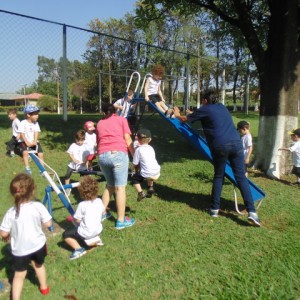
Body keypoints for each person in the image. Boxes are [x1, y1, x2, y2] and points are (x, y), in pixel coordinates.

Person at [173, 91, 261, 226]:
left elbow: (186, 119)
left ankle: (214, 209)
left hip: (220, 146)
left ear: (205, 100)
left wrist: (177, 114)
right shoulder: (222, 107)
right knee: (241, 178)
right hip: (236, 144)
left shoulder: (205, 109)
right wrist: (192, 113)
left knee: (219, 176)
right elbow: (205, 116)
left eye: (202, 101)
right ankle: (252, 212)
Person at [0, 173, 52, 299]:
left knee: (19, 275)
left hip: (20, 250)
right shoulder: (38, 206)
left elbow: (3, 233)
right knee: (39, 265)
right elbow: (48, 223)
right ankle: (44, 288)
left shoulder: (11, 212)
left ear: (13, 193)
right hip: (38, 245)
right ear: (32, 190)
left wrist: (6, 236)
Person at [96, 103, 135, 230]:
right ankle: (121, 220)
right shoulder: (121, 120)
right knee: (120, 188)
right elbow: (128, 139)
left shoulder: (100, 123)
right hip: (118, 154)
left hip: (102, 156)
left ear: (103, 112)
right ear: (115, 112)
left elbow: (98, 141)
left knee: (110, 185)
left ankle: (101, 213)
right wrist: (135, 157)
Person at [63, 175, 105, 260]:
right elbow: (103, 212)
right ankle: (95, 240)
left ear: (81, 192)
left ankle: (78, 249)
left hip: (86, 232)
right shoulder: (99, 201)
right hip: (98, 230)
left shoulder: (82, 205)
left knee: (66, 234)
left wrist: (72, 219)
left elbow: (77, 220)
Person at [131, 129, 161, 201]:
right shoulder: (151, 148)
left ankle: (140, 193)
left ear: (137, 139)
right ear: (150, 139)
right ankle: (150, 187)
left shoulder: (138, 150)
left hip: (147, 172)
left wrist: (132, 170)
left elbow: (135, 163)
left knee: (134, 179)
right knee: (150, 176)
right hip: (156, 171)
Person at [16, 105, 44, 175]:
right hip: (24, 141)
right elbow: (22, 134)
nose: (37, 116)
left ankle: (42, 170)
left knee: (41, 154)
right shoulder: (23, 123)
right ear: (28, 115)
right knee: (25, 153)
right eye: (35, 114)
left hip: (33, 141)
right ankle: (27, 168)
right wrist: (27, 142)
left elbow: (36, 132)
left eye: (37, 114)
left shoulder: (36, 123)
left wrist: (35, 141)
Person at [65, 130, 90, 196]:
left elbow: (88, 156)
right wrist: (74, 159)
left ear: (84, 139)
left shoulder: (85, 146)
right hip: (73, 164)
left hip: (82, 165)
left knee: (85, 178)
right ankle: (67, 188)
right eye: (78, 140)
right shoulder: (73, 145)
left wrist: (84, 162)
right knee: (67, 175)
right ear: (75, 139)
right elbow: (70, 153)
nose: (79, 142)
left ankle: (85, 189)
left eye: (81, 140)